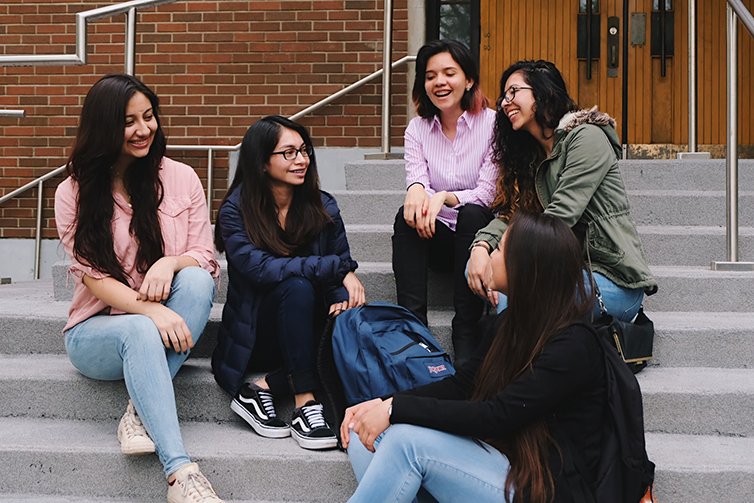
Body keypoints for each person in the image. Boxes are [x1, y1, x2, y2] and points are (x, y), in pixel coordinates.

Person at [342, 211, 606, 503]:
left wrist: (395, 410)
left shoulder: (573, 345)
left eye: (500, 249)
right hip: (501, 463)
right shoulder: (509, 324)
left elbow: (497, 415)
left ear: (526, 267)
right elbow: (461, 387)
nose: (490, 255)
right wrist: (383, 404)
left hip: (541, 488)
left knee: (407, 443)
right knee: (361, 430)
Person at [54, 74, 223, 503]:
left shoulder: (181, 177)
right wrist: (151, 312)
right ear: (105, 127)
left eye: (149, 117)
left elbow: (205, 254)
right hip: (95, 332)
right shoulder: (72, 191)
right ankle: (180, 473)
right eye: (129, 121)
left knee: (198, 279)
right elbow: (93, 275)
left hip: (164, 314)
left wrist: (170, 262)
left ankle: (137, 410)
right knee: (140, 330)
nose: (144, 129)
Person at [212, 115, 365, 450]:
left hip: (304, 329)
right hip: (255, 334)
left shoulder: (322, 206)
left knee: (346, 312)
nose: (302, 160)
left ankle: (262, 389)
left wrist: (340, 291)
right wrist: (336, 269)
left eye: (304, 150)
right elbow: (261, 270)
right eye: (289, 153)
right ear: (262, 161)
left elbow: (339, 259)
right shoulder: (235, 211)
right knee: (295, 286)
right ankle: (305, 403)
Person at [466, 60, 657, 321]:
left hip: (610, 279)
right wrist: (480, 246)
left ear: (543, 91)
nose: (504, 102)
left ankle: (512, 350)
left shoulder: (586, 137)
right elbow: (513, 217)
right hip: (558, 271)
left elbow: (562, 215)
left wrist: (499, 263)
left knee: (515, 281)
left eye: (513, 91)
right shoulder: (531, 159)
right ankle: (518, 352)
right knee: (475, 270)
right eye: (502, 96)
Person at [393, 39, 497, 366]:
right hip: (436, 239)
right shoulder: (417, 129)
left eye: (449, 73)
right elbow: (417, 176)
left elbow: (489, 192)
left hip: (477, 242)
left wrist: (444, 197)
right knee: (404, 217)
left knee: (472, 212)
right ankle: (414, 329)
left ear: (468, 80)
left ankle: (466, 328)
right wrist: (416, 189)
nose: (439, 82)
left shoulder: (492, 123)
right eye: (430, 76)